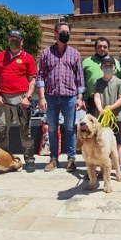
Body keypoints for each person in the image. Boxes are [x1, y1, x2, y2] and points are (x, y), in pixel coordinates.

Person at [37, 22, 85, 172]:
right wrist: (41, 97)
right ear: (56, 34)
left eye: (67, 32)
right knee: (52, 128)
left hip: (70, 97)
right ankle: (53, 159)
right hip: (50, 97)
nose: (65, 34)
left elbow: (80, 78)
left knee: (70, 128)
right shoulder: (46, 53)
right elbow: (40, 76)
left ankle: (71, 159)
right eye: (62, 32)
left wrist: (80, 97)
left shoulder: (75, 54)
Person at [0, 29, 37, 173]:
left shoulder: (28, 58)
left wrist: (28, 97)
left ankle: (29, 160)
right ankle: (4, 159)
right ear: (8, 40)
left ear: (22, 41)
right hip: (3, 98)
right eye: (11, 38)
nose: (14, 40)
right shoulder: (0, 56)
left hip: (21, 98)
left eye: (17, 39)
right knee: (1, 130)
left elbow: (32, 80)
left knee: (25, 131)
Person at [94, 55, 121, 179]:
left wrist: (111, 107)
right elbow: (97, 96)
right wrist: (100, 109)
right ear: (101, 67)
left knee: (119, 142)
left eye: (110, 66)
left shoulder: (119, 82)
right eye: (105, 66)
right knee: (102, 143)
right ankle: (103, 167)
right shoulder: (98, 82)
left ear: (114, 67)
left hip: (117, 117)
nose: (108, 68)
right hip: (101, 119)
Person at [82, 36, 121, 116]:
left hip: (112, 101)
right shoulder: (86, 62)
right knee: (94, 126)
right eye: (99, 46)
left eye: (105, 47)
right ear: (95, 48)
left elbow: (120, 81)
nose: (102, 48)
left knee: (111, 127)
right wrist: (82, 98)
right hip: (92, 101)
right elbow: (81, 82)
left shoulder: (116, 63)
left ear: (108, 49)